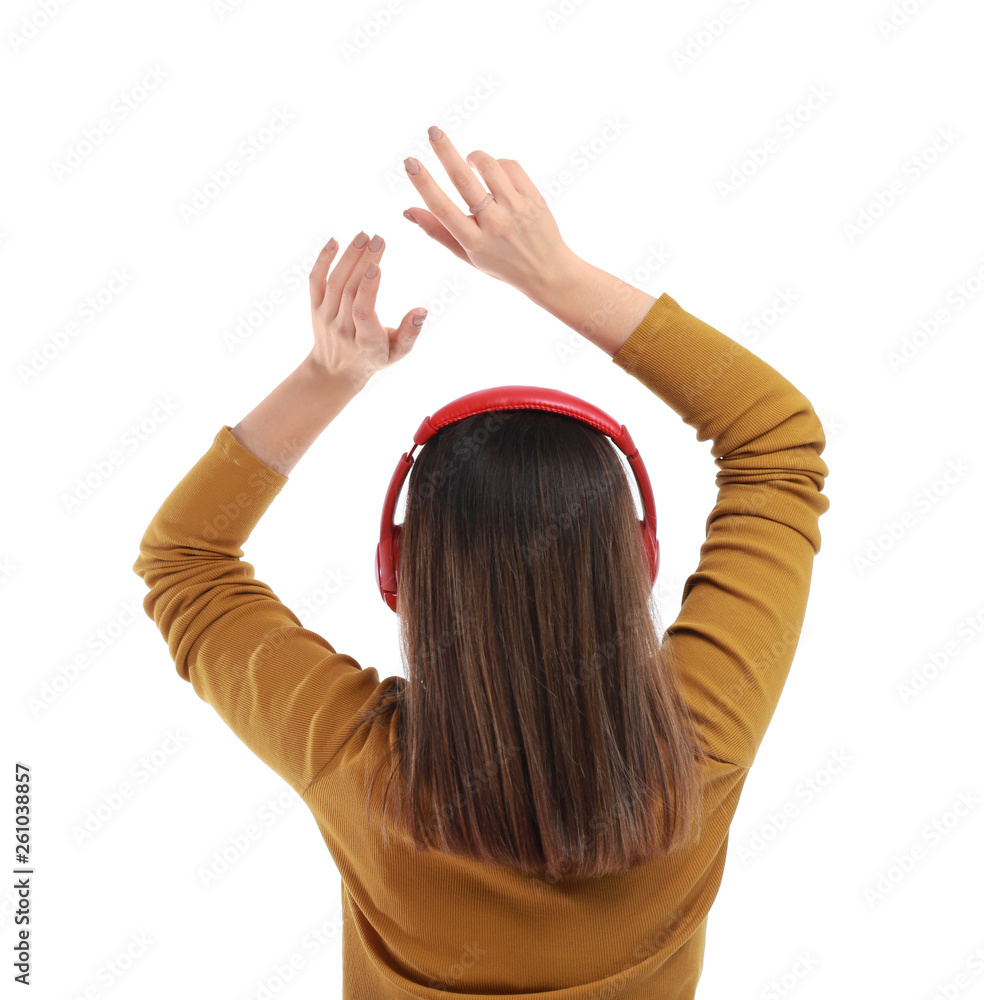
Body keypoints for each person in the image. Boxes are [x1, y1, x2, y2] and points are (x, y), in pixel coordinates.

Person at [132, 125, 830, 999]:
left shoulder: (359, 765)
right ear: (639, 556)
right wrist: (556, 278)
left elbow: (185, 562)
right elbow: (776, 445)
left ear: (398, 572)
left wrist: (329, 375)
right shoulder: (702, 742)